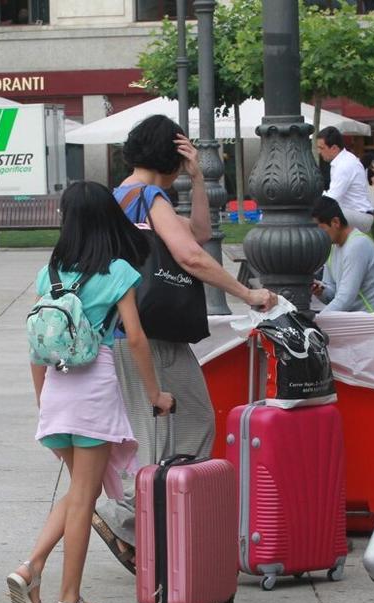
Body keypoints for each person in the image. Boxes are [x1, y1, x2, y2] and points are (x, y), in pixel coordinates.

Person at [92, 114, 277, 573]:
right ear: (170, 156)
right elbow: (192, 254)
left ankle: (151, 528)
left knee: (170, 428)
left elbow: (198, 232)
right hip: (146, 334)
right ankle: (131, 520)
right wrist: (247, 294)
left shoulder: (120, 196)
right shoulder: (147, 196)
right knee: (176, 428)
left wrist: (196, 182)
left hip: (134, 331)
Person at [6, 181, 174, 603]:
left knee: (83, 489)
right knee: (84, 499)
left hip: (56, 392)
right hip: (93, 390)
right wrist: (156, 394)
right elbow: (135, 337)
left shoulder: (51, 272)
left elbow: (36, 344)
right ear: (106, 218)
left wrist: (44, 402)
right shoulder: (118, 271)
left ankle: (32, 568)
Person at [312, 196, 374, 313]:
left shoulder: (357, 245)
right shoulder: (333, 247)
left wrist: (316, 321)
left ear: (335, 222)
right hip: (348, 318)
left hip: (367, 321)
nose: (316, 235)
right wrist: (320, 290)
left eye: (319, 229)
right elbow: (333, 294)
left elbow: (345, 299)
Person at [317, 127, 374, 240]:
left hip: (360, 216)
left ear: (334, 148)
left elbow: (331, 199)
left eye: (321, 148)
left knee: (320, 212)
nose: (319, 152)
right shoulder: (343, 161)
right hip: (355, 213)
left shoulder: (344, 165)